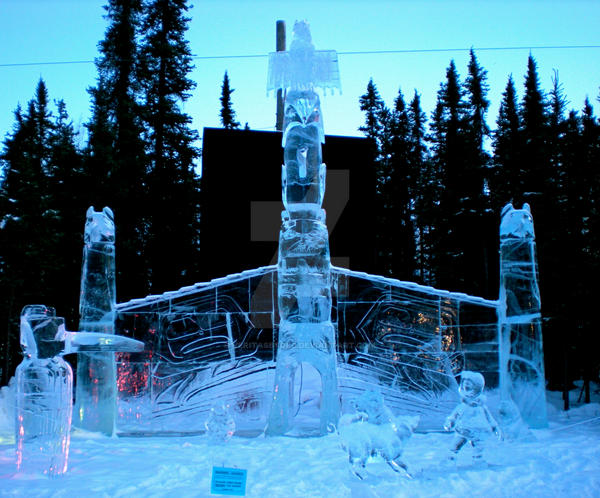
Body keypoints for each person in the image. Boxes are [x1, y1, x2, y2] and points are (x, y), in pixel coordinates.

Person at [444, 371, 500, 462]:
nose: (464, 389)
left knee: (478, 447)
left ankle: (478, 460)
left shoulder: (481, 407)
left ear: (477, 388)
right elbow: (454, 416)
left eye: (467, 387)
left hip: (478, 430)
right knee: (456, 445)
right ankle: (450, 459)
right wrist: (450, 422)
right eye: (463, 386)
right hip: (464, 430)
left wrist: (495, 427)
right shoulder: (462, 406)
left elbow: (490, 418)